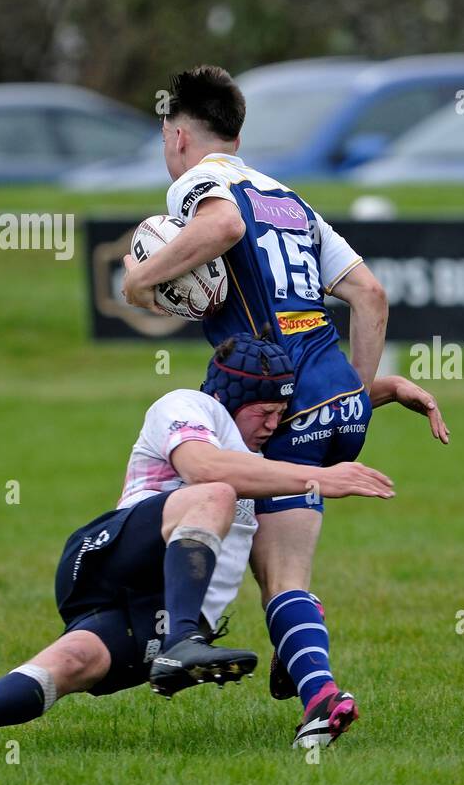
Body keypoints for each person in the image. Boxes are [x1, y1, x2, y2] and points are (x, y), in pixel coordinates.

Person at [0, 336, 445, 752]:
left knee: (74, 661)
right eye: (266, 412)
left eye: (282, 412)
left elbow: (314, 414)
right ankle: (183, 646)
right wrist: (318, 479)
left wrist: (388, 389)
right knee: (216, 493)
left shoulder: (261, 457)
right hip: (110, 558)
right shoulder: (187, 406)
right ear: (233, 397)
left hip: (158, 610)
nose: (275, 423)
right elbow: (205, 468)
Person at [121, 65, 431, 747]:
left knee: (211, 515)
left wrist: (140, 277)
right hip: (338, 399)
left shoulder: (202, 184)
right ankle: (294, 662)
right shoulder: (291, 199)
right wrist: (353, 391)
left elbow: (224, 225)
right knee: (280, 567)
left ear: (178, 136)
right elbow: (371, 295)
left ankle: (272, 674)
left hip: (268, 395)